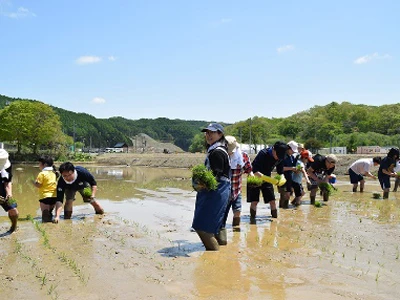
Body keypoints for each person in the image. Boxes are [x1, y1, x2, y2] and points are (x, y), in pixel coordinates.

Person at [192, 123, 231, 251]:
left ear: (220, 134)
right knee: (212, 226)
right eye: (207, 133)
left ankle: (214, 255)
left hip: (216, 192)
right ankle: (219, 254)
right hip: (218, 192)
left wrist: (202, 182)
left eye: (212, 132)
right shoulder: (216, 150)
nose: (208, 135)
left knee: (202, 227)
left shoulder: (217, 152)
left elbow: (216, 175)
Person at [248, 141, 288, 219]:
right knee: (254, 202)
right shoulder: (263, 154)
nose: (278, 158)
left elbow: (280, 171)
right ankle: (252, 220)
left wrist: (282, 178)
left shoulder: (281, 157)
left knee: (272, 201)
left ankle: (275, 220)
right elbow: (255, 171)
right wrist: (271, 180)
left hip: (267, 177)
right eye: (278, 155)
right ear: (274, 149)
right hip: (254, 177)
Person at [223, 135, 253, 227]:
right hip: (223, 192)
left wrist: (251, 174)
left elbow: (248, 169)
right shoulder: (220, 155)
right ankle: (220, 233)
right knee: (222, 215)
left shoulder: (242, 156)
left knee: (237, 211)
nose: (229, 153)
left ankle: (236, 233)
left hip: (236, 190)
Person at [33, 156, 63, 223]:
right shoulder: (54, 173)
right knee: (49, 212)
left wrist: (34, 182)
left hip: (44, 196)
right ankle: (51, 225)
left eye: (39, 164)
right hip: (54, 196)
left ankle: (46, 227)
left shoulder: (42, 174)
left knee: (45, 214)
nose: (39, 166)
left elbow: (39, 185)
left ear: (45, 164)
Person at [0, 149, 19, 233]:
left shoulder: (7, 166)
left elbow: (8, 181)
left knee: (13, 209)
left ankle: (14, 226)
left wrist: (9, 194)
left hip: (2, 186)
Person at [280, 140, 298, 209]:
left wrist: (295, 168)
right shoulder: (282, 156)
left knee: (288, 194)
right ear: (288, 148)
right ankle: (282, 209)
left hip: (289, 178)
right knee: (283, 195)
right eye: (292, 150)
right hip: (282, 178)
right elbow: (281, 168)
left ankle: (285, 209)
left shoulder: (292, 157)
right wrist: (291, 168)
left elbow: (293, 167)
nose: (293, 152)